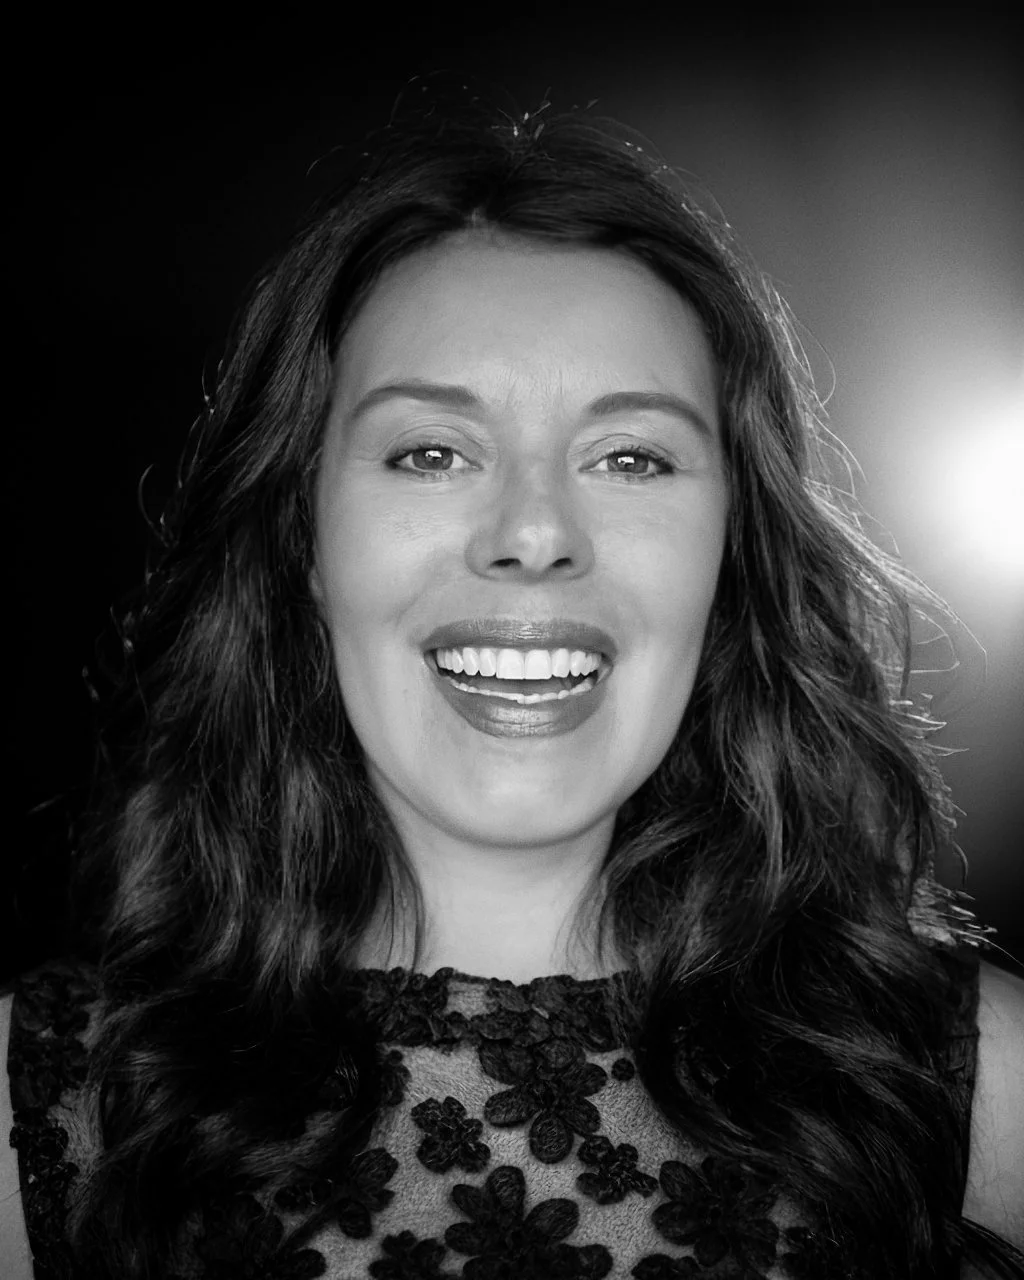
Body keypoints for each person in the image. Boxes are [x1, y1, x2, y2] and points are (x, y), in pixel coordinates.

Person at [2, 90, 1022, 1279]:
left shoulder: (981, 1086)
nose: (534, 535)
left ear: (731, 554)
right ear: (302, 540)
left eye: (629, 456)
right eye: (431, 452)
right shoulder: (41, 1099)